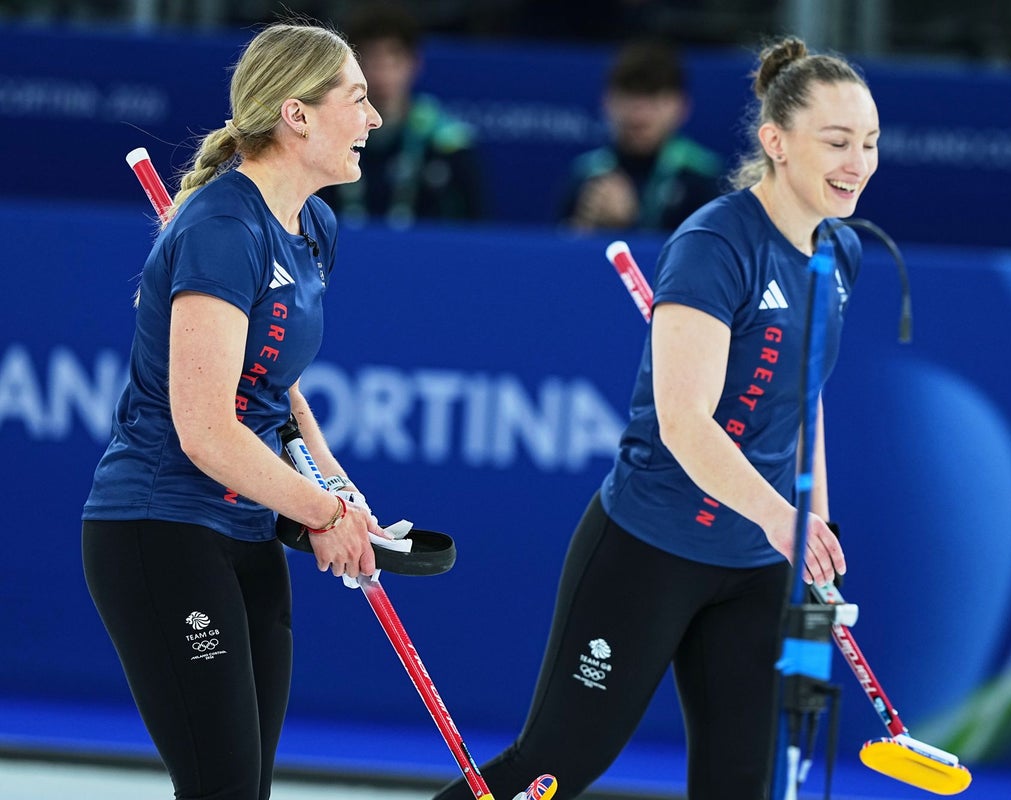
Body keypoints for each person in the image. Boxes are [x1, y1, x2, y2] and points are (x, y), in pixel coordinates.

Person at [434, 35, 878, 800]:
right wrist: (785, 520)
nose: (858, 162)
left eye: (870, 142)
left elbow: (805, 401)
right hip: (651, 549)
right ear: (775, 142)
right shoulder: (714, 243)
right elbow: (684, 421)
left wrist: (818, 533)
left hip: (757, 566)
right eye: (836, 141)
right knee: (552, 768)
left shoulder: (840, 254)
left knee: (742, 784)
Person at [82, 22, 386, 800]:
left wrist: (340, 492)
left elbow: (272, 390)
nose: (374, 117)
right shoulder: (222, 228)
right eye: (357, 97)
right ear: (297, 115)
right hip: (163, 527)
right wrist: (320, 513)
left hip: (244, 527)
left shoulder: (312, 225)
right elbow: (208, 427)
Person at [319, 3, 487, 226]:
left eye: (393, 60)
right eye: (371, 60)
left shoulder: (447, 142)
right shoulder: (323, 137)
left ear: (414, 64)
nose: (382, 74)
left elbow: (475, 228)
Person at [559, 37, 724, 233]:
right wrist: (582, 228)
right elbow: (560, 252)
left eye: (654, 97)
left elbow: (709, 257)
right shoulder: (586, 173)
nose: (640, 113)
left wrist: (630, 224)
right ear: (606, 102)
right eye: (629, 95)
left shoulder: (704, 176)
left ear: (681, 106)